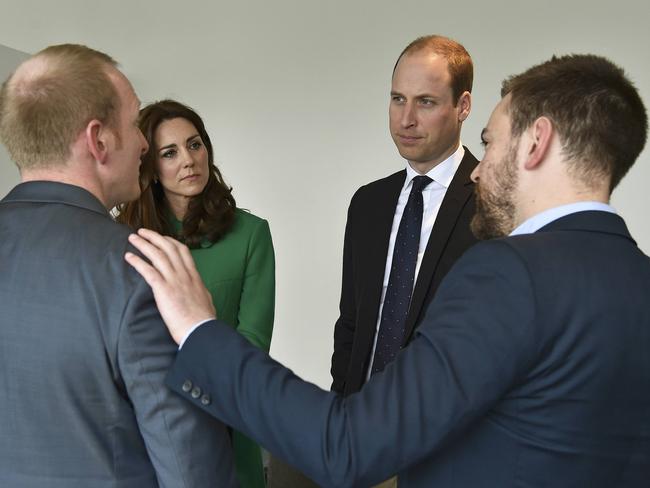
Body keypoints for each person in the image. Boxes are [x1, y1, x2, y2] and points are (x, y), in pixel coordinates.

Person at [128, 53, 650, 487]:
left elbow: (348, 446)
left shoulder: (506, 272)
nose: (481, 167)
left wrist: (198, 330)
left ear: (535, 142)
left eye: (491, 142)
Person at [0, 44, 236, 487]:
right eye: (134, 125)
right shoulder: (141, 268)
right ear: (98, 140)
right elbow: (190, 469)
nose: (145, 143)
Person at [117, 99, 275, 488]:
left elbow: (251, 343)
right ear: (151, 168)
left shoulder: (251, 233)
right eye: (169, 152)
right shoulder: (127, 242)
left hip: (226, 424)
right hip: (145, 432)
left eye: (194, 144)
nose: (188, 160)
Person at [331, 35, 478, 399]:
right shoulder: (368, 203)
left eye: (425, 102)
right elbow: (351, 321)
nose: (406, 119)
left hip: (449, 435)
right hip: (360, 424)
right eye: (398, 99)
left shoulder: (494, 205)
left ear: (463, 106)